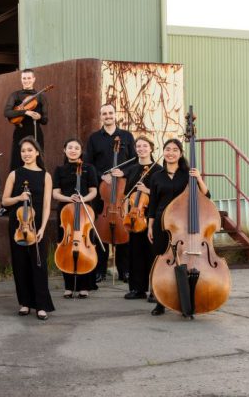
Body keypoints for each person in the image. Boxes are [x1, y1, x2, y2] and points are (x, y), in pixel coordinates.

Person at [147, 138, 210, 316]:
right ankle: (160, 301)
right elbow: (152, 204)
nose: (171, 152)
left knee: (184, 262)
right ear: (163, 152)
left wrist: (198, 177)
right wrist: (150, 226)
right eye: (167, 149)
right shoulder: (156, 176)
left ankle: (185, 300)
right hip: (161, 223)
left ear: (181, 154)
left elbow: (206, 195)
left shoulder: (187, 175)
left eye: (175, 150)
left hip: (183, 226)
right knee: (160, 261)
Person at [2, 137, 54, 319]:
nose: (26, 154)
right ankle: (24, 302)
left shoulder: (45, 175)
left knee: (38, 265)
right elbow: (5, 200)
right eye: (23, 151)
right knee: (20, 264)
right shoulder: (14, 174)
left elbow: (47, 204)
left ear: (37, 152)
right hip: (18, 225)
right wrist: (19, 198)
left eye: (30, 150)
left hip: (38, 224)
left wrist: (43, 228)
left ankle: (41, 305)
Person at [84, 103, 135, 283]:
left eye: (110, 113)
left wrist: (124, 172)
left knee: (124, 230)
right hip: (102, 191)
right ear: (101, 116)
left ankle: (125, 271)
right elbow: (88, 164)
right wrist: (101, 176)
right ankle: (100, 270)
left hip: (122, 191)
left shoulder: (127, 137)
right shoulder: (94, 139)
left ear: (115, 114)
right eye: (104, 113)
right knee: (101, 231)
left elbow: (134, 162)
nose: (108, 116)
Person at [52, 138, 99, 298]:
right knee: (65, 247)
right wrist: (69, 198)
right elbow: (55, 193)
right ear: (64, 150)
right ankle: (68, 286)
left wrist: (83, 199)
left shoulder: (89, 168)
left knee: (86, 246)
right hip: (65, 212)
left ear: (81, 151)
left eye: (76, 148)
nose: (73, 150)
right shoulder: (59, 170)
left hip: (85, 212)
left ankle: (84, 286)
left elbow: (94, 191)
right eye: (70, 147)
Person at [122, 136, 162, 300]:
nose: (141, 149)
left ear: (151, 148)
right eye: (138, 146)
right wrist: (125, 213)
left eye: (145, 146)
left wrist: (147, 190)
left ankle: (154, 290)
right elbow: (126, 196)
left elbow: (162, 195)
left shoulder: (158, 169)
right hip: (134, 217)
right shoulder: (132, 170)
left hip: (150, 216)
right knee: (135, 254)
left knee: (152, 254)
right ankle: (137, 289)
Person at [3, 69, 48, 170]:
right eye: (24, 78)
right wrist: (25, 112)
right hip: (20, 132)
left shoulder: (41, 97)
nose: (26, 80)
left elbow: (45, 120)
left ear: (33, 79)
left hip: (35, 132)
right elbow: (7, 113)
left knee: (37, 161)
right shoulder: (15, 95)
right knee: (17, 161)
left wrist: (39, 117)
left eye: (29, 78)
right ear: (21, 79)